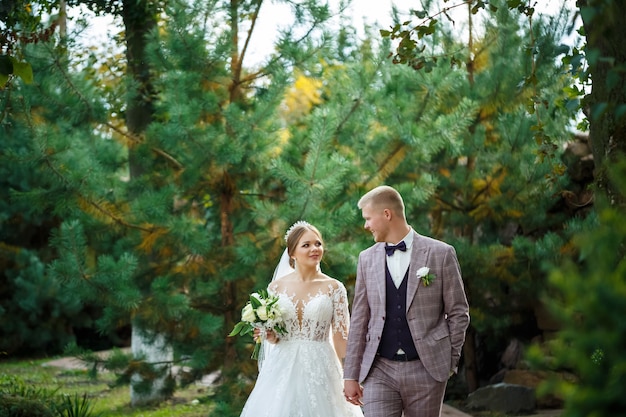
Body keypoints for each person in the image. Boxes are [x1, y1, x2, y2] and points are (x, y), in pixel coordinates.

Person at [343, 185, 470, 417]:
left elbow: (459, 312)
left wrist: (449, 360)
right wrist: (350, 374)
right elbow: (360, 318)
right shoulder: (366, 259)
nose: (366, 225)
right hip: (379, 369)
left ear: (387, 214)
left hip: (426, 369)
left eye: (368, 218)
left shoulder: (441, 253)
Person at [240, 221, 363, 417]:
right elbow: (276, 336)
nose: (314, 249)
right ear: (292, 253)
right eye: (306, 245)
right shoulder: (276, 288)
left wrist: (350, 377)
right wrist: (269, 335)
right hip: (282, 366)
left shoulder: (334, 287)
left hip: (321, 365)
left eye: (318, 244)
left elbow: (341, 337)